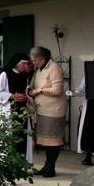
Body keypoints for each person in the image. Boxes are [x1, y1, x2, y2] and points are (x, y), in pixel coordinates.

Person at [28, 46, 66, 177]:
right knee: (45, 141)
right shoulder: (39, 69)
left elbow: (57, 90)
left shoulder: (54, 67)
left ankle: (51, 167)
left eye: (35, 60)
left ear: (43, 59)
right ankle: (46, 166)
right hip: (42, 110)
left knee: (53, 141)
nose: (33, 63)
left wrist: (39, 91)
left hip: (53, 111)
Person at [0, 53, 34, 162]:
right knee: (9, 135)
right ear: (17, 64)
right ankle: (6, 162)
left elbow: (26, 90)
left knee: (22, 136)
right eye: (24, 64)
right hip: (9, 110)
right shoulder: (5, 74)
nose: (25, 66)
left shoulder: (24, 76)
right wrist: (12, 96)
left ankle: (22, 162)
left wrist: (27, 94)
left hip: (22, 111)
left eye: (26, 64)